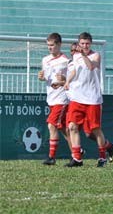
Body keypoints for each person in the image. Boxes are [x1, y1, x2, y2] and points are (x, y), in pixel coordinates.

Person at [64, 32, 110, 167]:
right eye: (82, 43)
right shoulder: (76, 56)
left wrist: (84, 55)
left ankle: (102, 157)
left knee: (95, 130)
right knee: (72, 126)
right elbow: (74, 71)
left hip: (92, 98)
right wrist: (68, 81)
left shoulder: (95, 55)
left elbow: (90, 67)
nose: (85, 46)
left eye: (87, 43)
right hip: (77, 97)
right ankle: (77, 158)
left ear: (91, 44)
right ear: (79, 43)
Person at [38, 32, 71, 165]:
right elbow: (46, 77)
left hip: (61, 99)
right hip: (51, 98)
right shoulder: (45, 59)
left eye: (52, 45)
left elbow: (70, 80)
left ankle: (51, 157)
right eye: (48, 45)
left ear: (59, 45)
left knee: (51, 125)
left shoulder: (66, 61)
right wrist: (41, 77)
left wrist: (63, 80)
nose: (49, 48)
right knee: (63, 129)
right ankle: (77, 152)